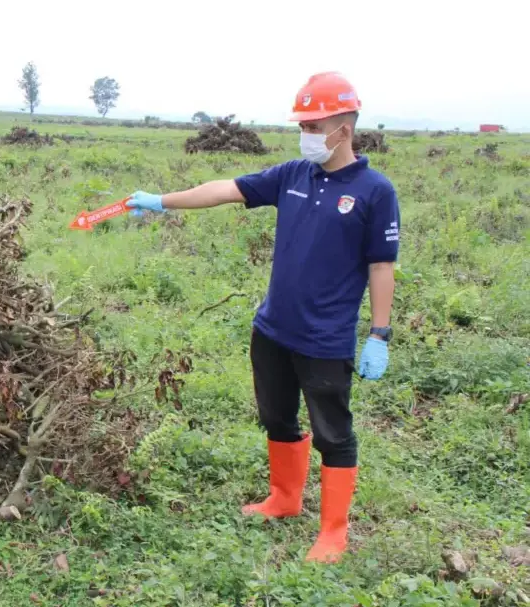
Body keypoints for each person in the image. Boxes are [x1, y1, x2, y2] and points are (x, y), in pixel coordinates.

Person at [126, 72, 399, 564]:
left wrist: (379, 333)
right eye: (304, 124)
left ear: (345, 127)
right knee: (276, 416)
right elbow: (226, 189)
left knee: (333, 433)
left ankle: (334, 532)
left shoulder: (375, 191)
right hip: (273, 329)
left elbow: (382, 266)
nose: (307, 133)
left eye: (316, 124)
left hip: (325, 339)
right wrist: (163, 202)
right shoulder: (294, 175)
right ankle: (285, 499)